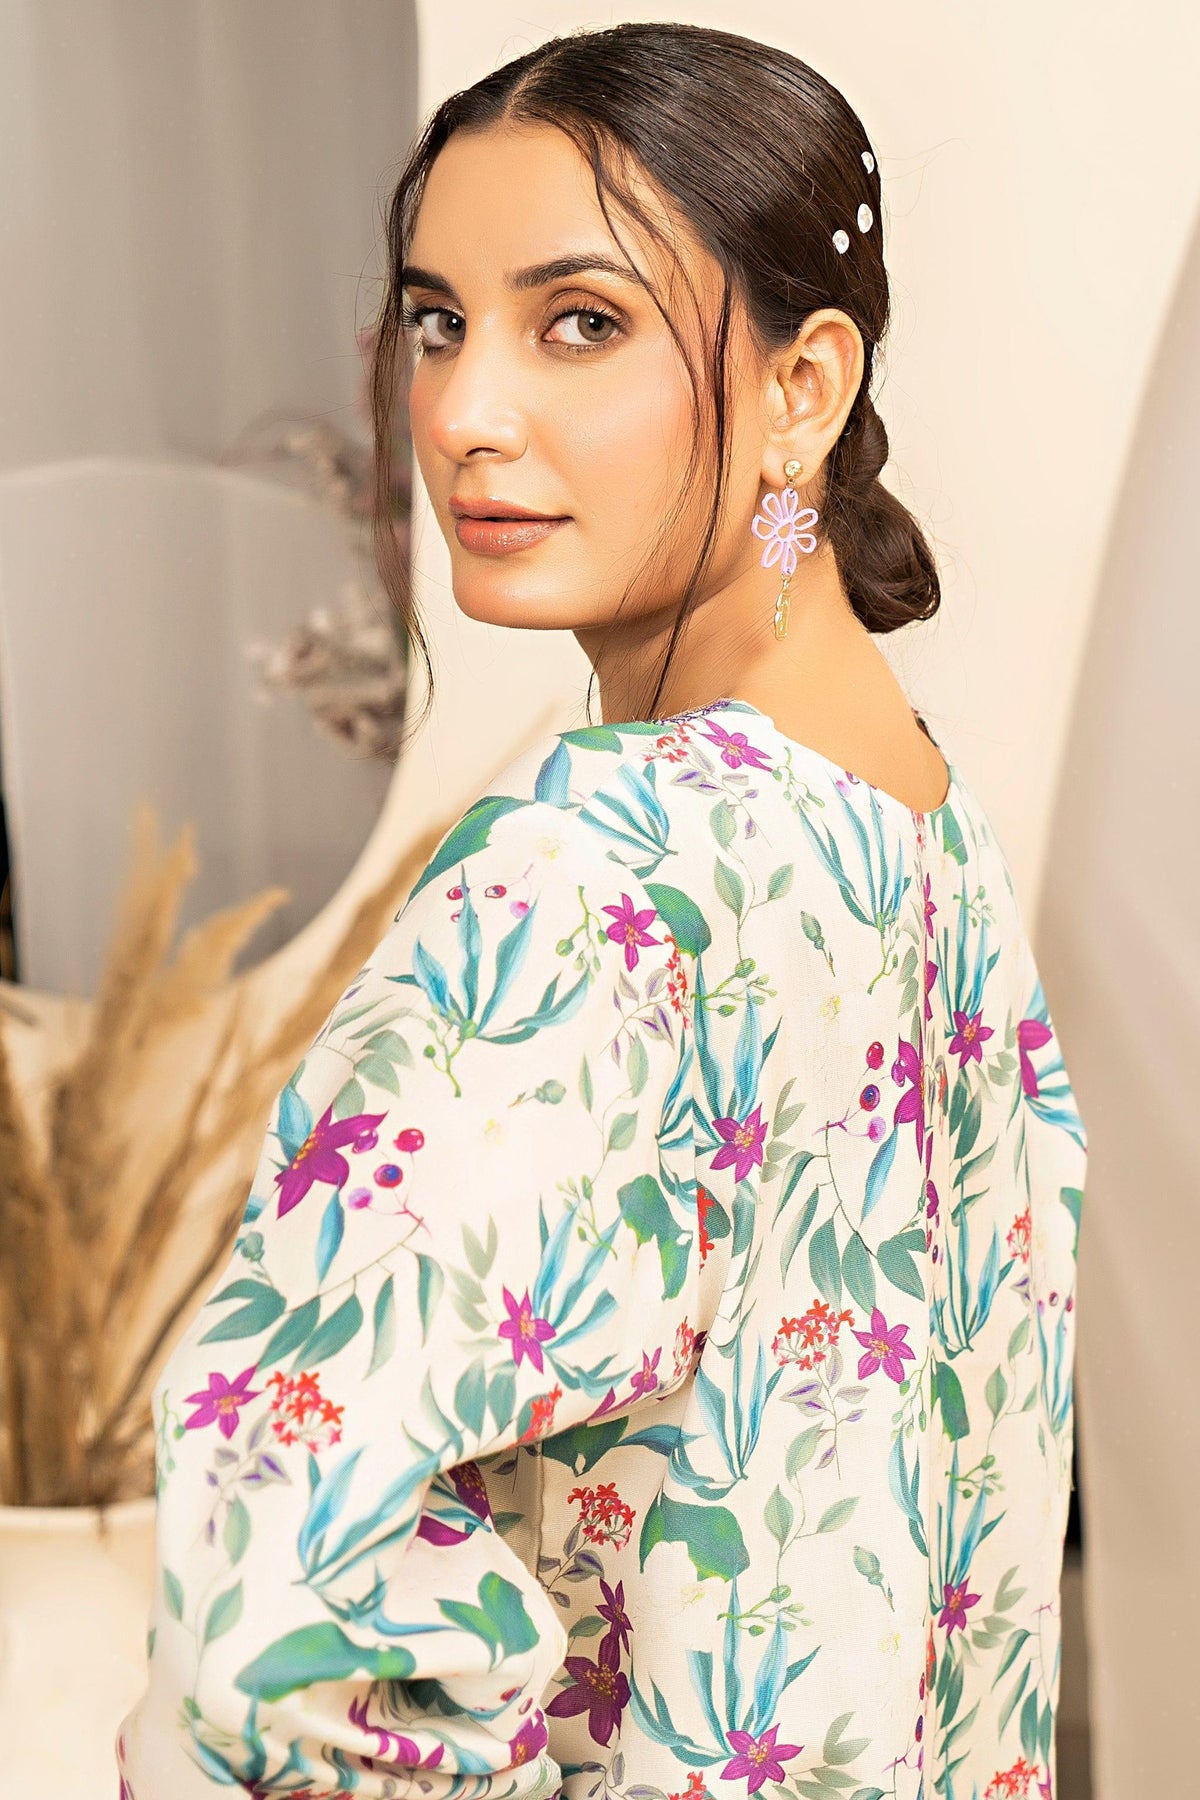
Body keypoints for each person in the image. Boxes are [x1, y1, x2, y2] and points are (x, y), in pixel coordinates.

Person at [118, 22, 1088, 1800]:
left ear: (802, 389)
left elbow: (275, 1611)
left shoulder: (595, 876)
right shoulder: (918, 822)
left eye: (581, 322)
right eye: (437, 322)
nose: (464, 412)